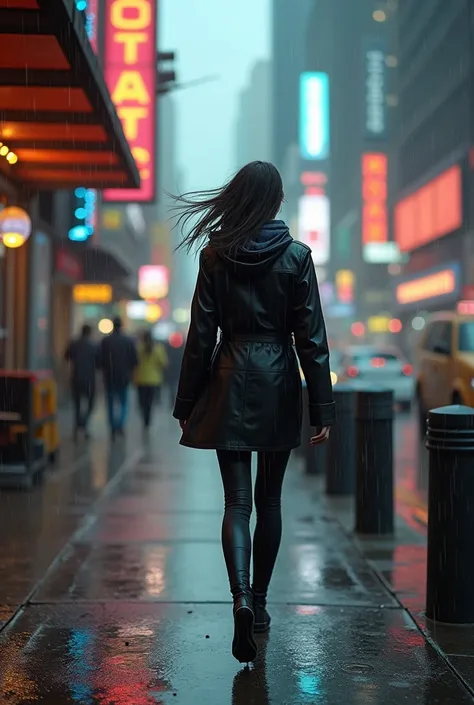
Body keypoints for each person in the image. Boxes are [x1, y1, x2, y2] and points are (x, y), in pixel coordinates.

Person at [171, 161, 335, 664]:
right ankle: (259, 606)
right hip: (279, 379)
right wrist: (321, 405)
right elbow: (312, 340)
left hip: (228, 376)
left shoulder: (215, 257)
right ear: (277, 201)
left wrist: (187, 401)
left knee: (235, 503)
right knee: (271, 501)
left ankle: (239, 597)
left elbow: (201, 337)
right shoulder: (297, 256)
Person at [98, 315, 138, 440]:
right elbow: (134, 360)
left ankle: (112, 427)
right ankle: (120, 424)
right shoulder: (128, 341)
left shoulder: (105, 341)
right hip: (124, 377)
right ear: (121, 326)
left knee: (110, 403)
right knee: (123, 402)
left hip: (109, 377)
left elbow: (100, 360)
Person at [64, 323, 98, 440]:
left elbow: (66, 357)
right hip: (89, 379)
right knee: (91, 404)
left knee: (77, 405)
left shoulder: (74, 344)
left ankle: (77, 427)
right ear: (89, 333)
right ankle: (83, 425)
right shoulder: (93, 346)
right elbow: (99, 363)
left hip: (76, 377)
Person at [134, 330, 168, 432]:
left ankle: (145, 418)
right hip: (154, 379)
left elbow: (134, 362)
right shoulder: (158, 348)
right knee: (150, 402)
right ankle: (148, 420)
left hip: (140, 379)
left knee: (142, 402)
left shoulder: (138, 348)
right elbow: (164, 363)